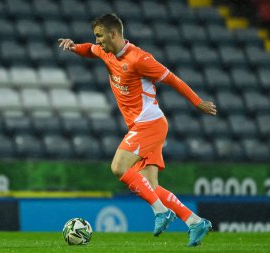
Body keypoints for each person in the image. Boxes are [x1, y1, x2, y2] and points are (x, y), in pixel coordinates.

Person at [58, 13, 217, 246]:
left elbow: (172, 79)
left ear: (114, 34)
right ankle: (194, 221)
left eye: (100, 36)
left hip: (149, 123)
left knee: (118, 167)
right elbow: (89, 50)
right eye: (96, 36)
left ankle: (161, 212)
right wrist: (74, 47)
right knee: (151, 187)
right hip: (142, 125)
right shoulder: (106, 51)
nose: (98, 40)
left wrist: (197, 102)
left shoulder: (139, 59)